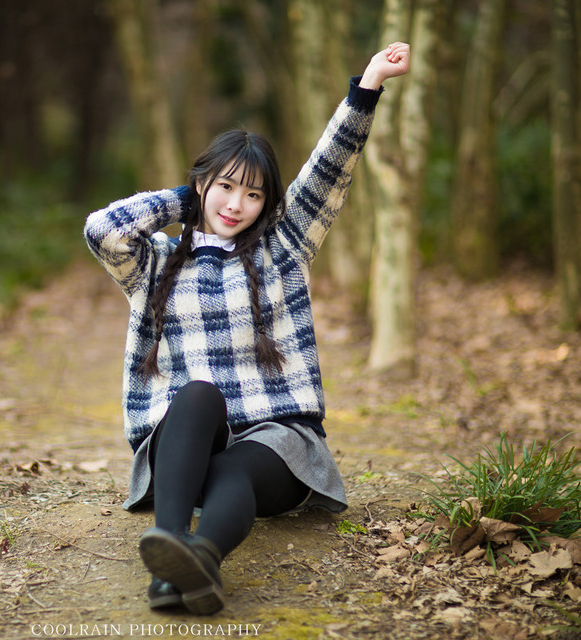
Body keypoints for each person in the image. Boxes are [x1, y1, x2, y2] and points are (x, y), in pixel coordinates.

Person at [84, 43, 410, 615]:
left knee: (235, 465)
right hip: (185, 443)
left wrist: (369, 87)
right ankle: (174, 551)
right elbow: (102, 229)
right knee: (198, 393)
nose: (237, 205)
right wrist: (186, 201)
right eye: (226, 187)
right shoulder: (157, 262)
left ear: (268, 204)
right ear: (203, 184)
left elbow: (329, 170)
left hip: (277, 443)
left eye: (254, 194)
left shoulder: (285, 248)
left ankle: (192, 561)